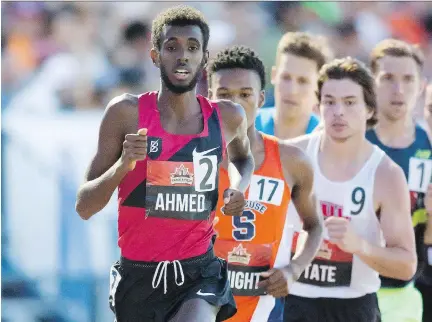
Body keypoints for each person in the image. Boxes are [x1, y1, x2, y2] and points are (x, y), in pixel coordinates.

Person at [75, 6, 255, 322]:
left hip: (198, 273)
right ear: (155, 55)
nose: (182, 56)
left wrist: (239, 186)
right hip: (138, 278)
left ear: (204, 57)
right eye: (172, 47)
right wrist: (123, 166)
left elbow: (242, 157)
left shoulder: (227, 117)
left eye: (192, 48)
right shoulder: (125, 114)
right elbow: (84, 206)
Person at [284, 57, 417, 322]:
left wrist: (360, 246)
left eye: (349, 102)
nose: (338, 112)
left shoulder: (386, 174)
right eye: (329, 101)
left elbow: (406, 265)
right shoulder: (290, 156)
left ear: (369, 109)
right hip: (290, 302)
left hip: (354, 306)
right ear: (317, 106)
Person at [207, 46, 323, 322]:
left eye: (245, 94)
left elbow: (314, 225)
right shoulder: (190, 158)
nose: (235, 104)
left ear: (260, 99)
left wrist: (294, 269)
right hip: (200, 306)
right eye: (224, 95)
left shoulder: (291, 160)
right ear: (209, 98)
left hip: (263, 310)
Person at [365, 39, 429, 322]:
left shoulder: (427, 144)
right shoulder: (352, 140)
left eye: (408, 79)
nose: (398, 90)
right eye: (388, 78)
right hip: (353, 288)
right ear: (370, 82)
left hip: (406, 292)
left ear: (421, 85)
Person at [255, 32, 333, 139]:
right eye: (286, 77)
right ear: (274, 76)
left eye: (302, 81)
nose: (292, 90)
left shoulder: (328, 142)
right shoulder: (245, 128)